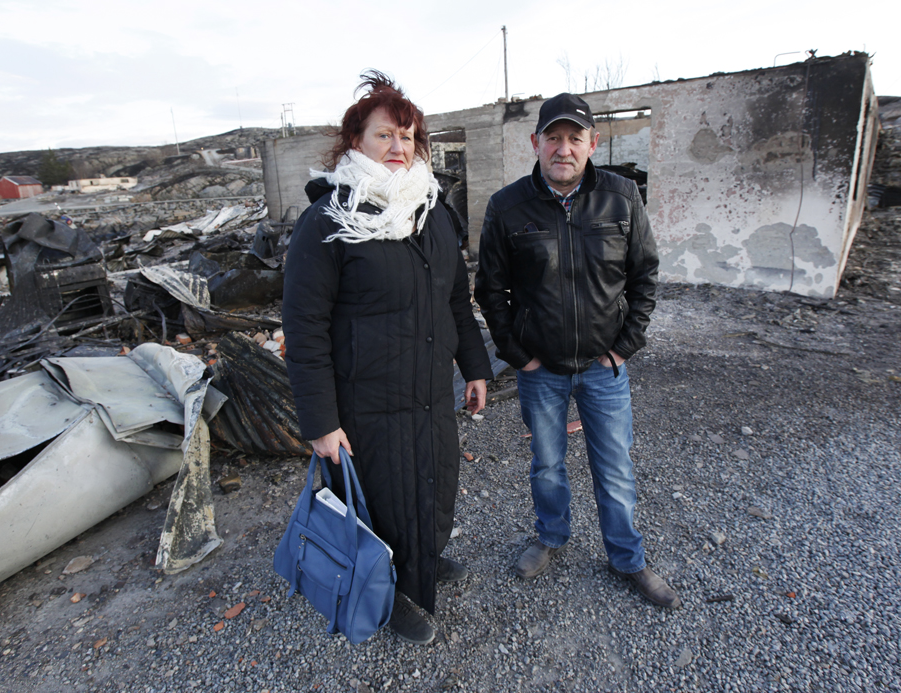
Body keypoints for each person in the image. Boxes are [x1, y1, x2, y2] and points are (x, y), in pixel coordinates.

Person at [282, 71, 494, 644]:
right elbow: (304, 329)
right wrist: (320, 422)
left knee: (434, 484)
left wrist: (476, 367)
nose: (399, 147)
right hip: (366, 403)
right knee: (382, 497)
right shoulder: (329, 221)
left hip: (429, 393)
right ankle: (390, 588)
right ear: (355, 141)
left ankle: (422, 556)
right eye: (384, 135)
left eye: (408, 136)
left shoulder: (431, 212)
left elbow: (455, 299)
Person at [474, 92, 680, 609]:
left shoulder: (621, 196)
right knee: (546, 465)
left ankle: (627, 558)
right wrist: (519, 356)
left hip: (603, 367)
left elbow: (645, 275)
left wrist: (624, 348)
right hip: (540, 370)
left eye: (574, 138)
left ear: (592, 143)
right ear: (536, 142)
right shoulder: (507, 206)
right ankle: (551, 536)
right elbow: (490, 291)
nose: (563, 149)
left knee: (615, 468)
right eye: (553, 138)